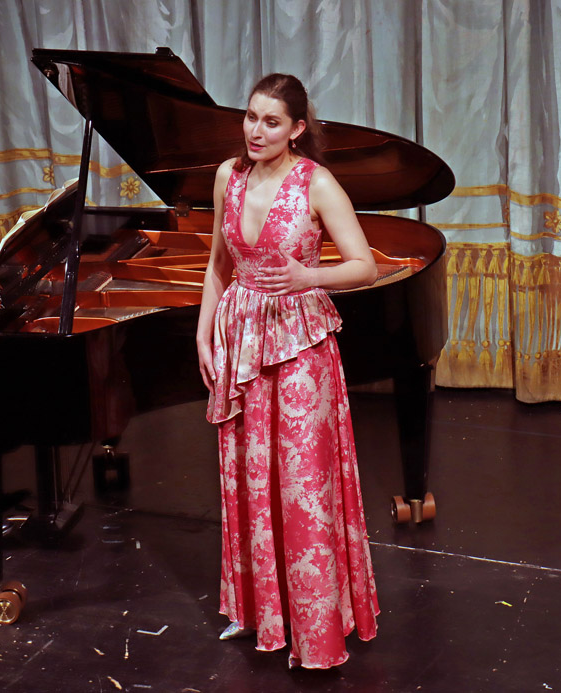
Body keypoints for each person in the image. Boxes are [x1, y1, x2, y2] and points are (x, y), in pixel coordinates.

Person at [195, 74, 381, 669]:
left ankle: (316, 629)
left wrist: (308, 277)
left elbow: (365, 266)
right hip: (241, 338)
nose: (256, 130)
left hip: (300, 342)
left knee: (302, 483)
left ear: (297, 129)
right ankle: (258, 613)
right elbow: (218, 264)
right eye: (251, 117)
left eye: (271, 121)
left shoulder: (317, 183)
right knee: (250, 480)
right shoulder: (228, 176)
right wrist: (203, 332)